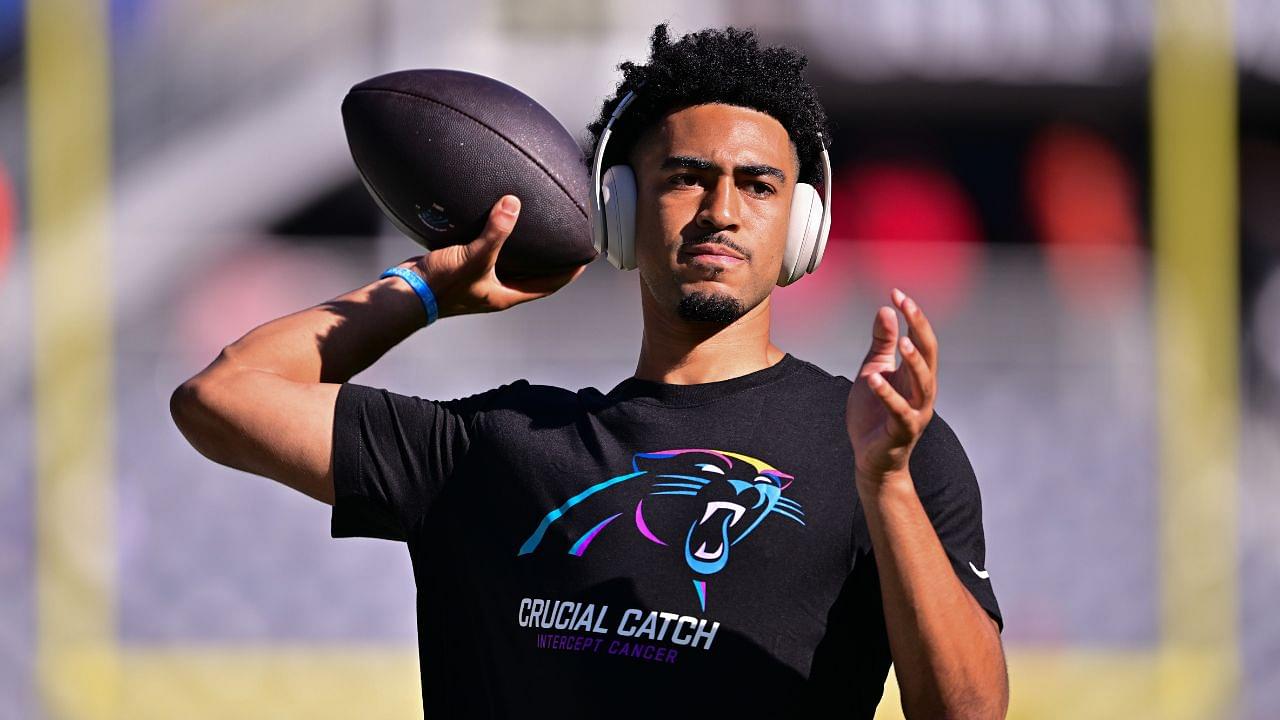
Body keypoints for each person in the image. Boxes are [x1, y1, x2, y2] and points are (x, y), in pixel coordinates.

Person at [170, 22, 1007, 719]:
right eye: (686, 178)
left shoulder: (885, 448)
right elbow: (221, 398)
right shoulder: (499, 444)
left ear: (803, 224)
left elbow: (967, 714)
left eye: (758, 185)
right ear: (618, 209)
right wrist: (428, 289)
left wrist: (887, 481)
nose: (722, 211)